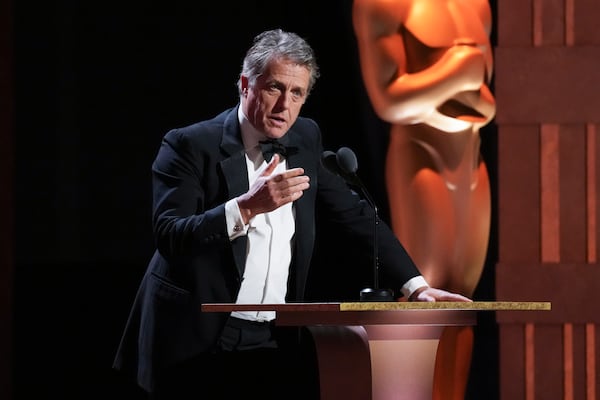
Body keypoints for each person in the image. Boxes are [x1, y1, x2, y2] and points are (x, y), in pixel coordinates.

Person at [112, 28, 471, 400]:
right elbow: (171, 236)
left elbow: (354, 215)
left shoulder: (304, 139)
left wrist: (416, 286)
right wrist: (248, 207)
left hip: (273, 337)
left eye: (297, 93)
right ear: (245, 85)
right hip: (195, 339)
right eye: (274, 88)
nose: (285, 105)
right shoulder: (189, 145)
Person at [352, 1, 497, 399]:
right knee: (424, 295)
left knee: (461, 303)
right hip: (422, 155)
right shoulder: (382, 5)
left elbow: (483, 95)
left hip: (469, 160)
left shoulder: (477, 6)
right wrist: (455, 73)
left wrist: (469, 91)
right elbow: (390, 100)